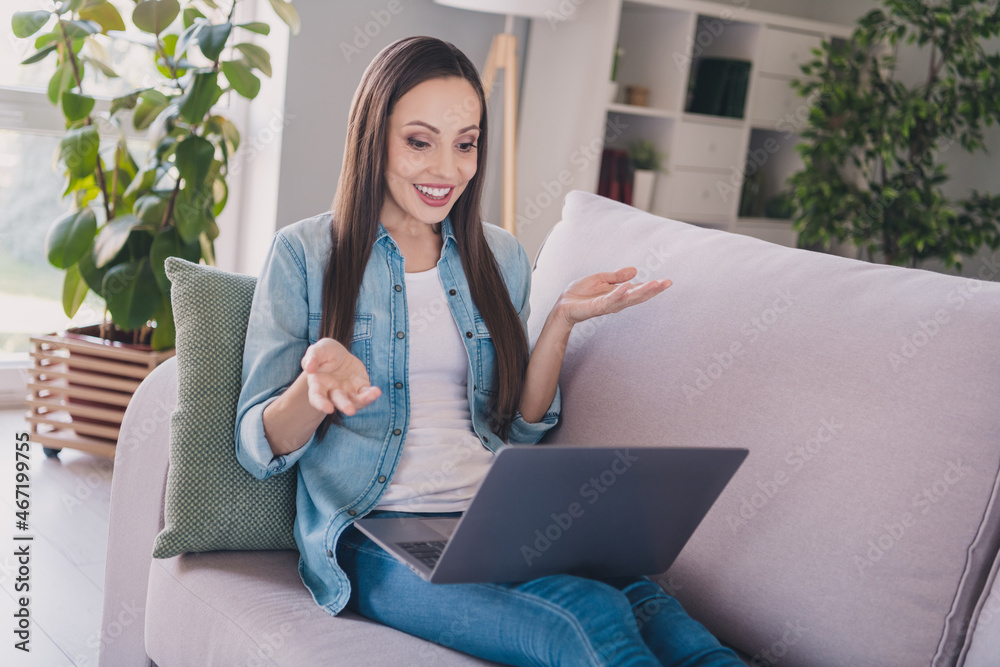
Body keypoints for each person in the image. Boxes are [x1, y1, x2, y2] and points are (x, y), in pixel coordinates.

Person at [235, 35, 743, 667]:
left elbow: (517, 428)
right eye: (419, 141)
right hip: (376, 534)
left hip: (498, 519)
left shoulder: (498, 256)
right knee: (584, 618)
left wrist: (559, 321)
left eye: (466, 143)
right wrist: (313, 393)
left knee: (661, 614)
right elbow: (258, 447)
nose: (447, 169)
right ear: (373, 138)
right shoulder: (306, 253)